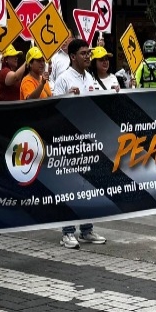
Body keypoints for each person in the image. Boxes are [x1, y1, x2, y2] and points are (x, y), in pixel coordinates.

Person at [51, 38, 106, 249]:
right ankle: (67, 232)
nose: (87, 56)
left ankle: (86, 229)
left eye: (88, 53)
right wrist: (66, 96)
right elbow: (55, 106)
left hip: (89, 139)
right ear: (73, 56)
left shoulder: (90, 78)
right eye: (83, 53)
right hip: (69, 140)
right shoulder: (64, 78)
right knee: (70, 185)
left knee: (88, 185)